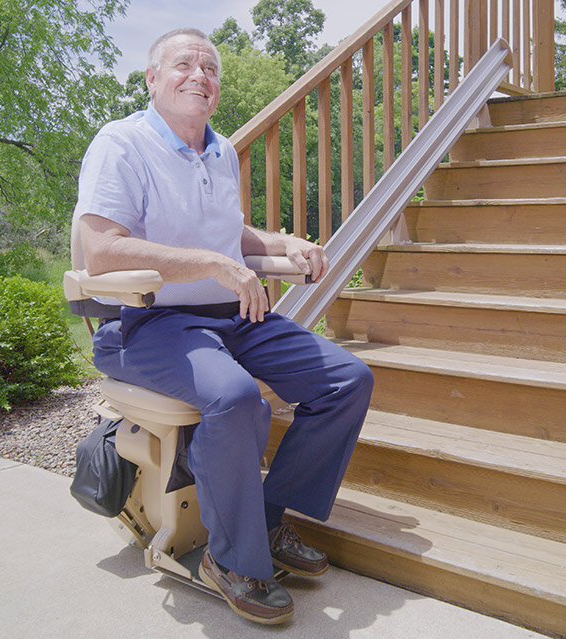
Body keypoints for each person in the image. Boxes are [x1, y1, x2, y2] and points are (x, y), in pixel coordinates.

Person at [76, 27, 374, 625]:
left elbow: (227, 237)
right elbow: (99, 250)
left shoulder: (220, 150)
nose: (200, 76)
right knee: (236, 397)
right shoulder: (122, 143)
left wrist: (283, 243)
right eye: (183, 64)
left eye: (209, 68)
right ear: (152, 80)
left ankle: (263, 521)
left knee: (347, 379)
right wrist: (215, 265)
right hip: (143, 323)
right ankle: (233, 559)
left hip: (230, 318)